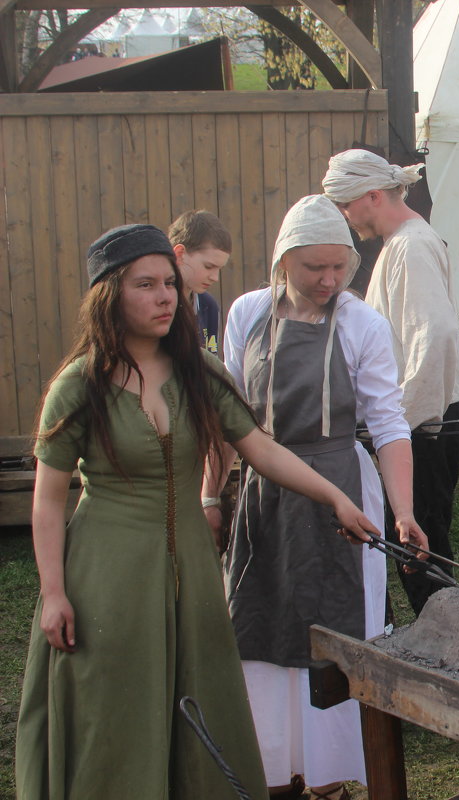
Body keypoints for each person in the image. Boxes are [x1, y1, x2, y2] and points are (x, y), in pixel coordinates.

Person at [16, 224, 379, 800]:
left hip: (190, 563)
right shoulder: (78, 386)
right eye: (145, 285)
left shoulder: (199, 372)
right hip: (107, 571)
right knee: (118, 701)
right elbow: (50, 497)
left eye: (169, 283)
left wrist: (336, 496)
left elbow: (260, 449)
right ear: (111, 294)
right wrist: (55, 591)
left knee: (199, 691)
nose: (165, 297)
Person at [219, 196, 428, 800]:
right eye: (315, 268)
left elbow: (389, 425)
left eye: (341, 267)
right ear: (284, 261)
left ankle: (332, 774)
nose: (330, 280)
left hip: (341, 488)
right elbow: (232, 414)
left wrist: (404, 510)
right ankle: (273, 766)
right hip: (265, 489)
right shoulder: (247, 314)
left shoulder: (363, 324)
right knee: (261, 621)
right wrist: (215, 494)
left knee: (335, 629)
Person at [323, 149, 459, 617]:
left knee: (419, 546)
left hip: (429, 420)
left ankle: (450, 644)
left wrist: (404, 425)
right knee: (416, 542)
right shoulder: (402, 243)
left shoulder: (411, 246)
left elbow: (436, 334)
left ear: (372, 196)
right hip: (424, 417)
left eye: (347, 206)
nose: (347, 218)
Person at [168, 209, 233, 356]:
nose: (215, 278)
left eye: (219, 269)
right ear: (179, 254)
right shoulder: (158, 303)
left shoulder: (208, 305)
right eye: (209, 267)